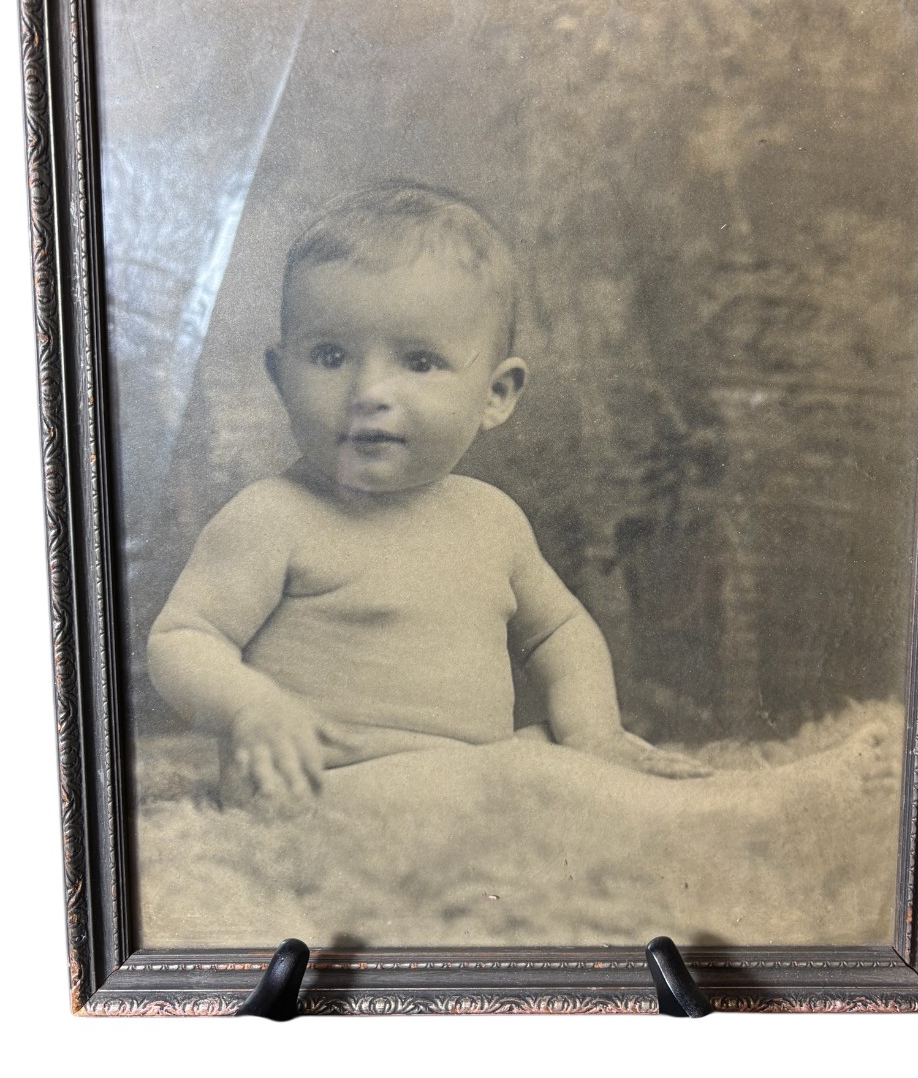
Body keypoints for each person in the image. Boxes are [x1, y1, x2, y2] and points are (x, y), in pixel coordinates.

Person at [148, 183, 708, 808]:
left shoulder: (492, 520)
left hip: (465, 778)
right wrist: (251, 706)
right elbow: (182, 639)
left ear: (495, 394)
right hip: (323, 786)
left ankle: (601, 778)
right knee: (523, 777)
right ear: (281, 378)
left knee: (547, 753)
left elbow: (560, 631)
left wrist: (593, 733)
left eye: (418, 362)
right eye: (330, 356)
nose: (369, 391)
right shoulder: (272, 517)